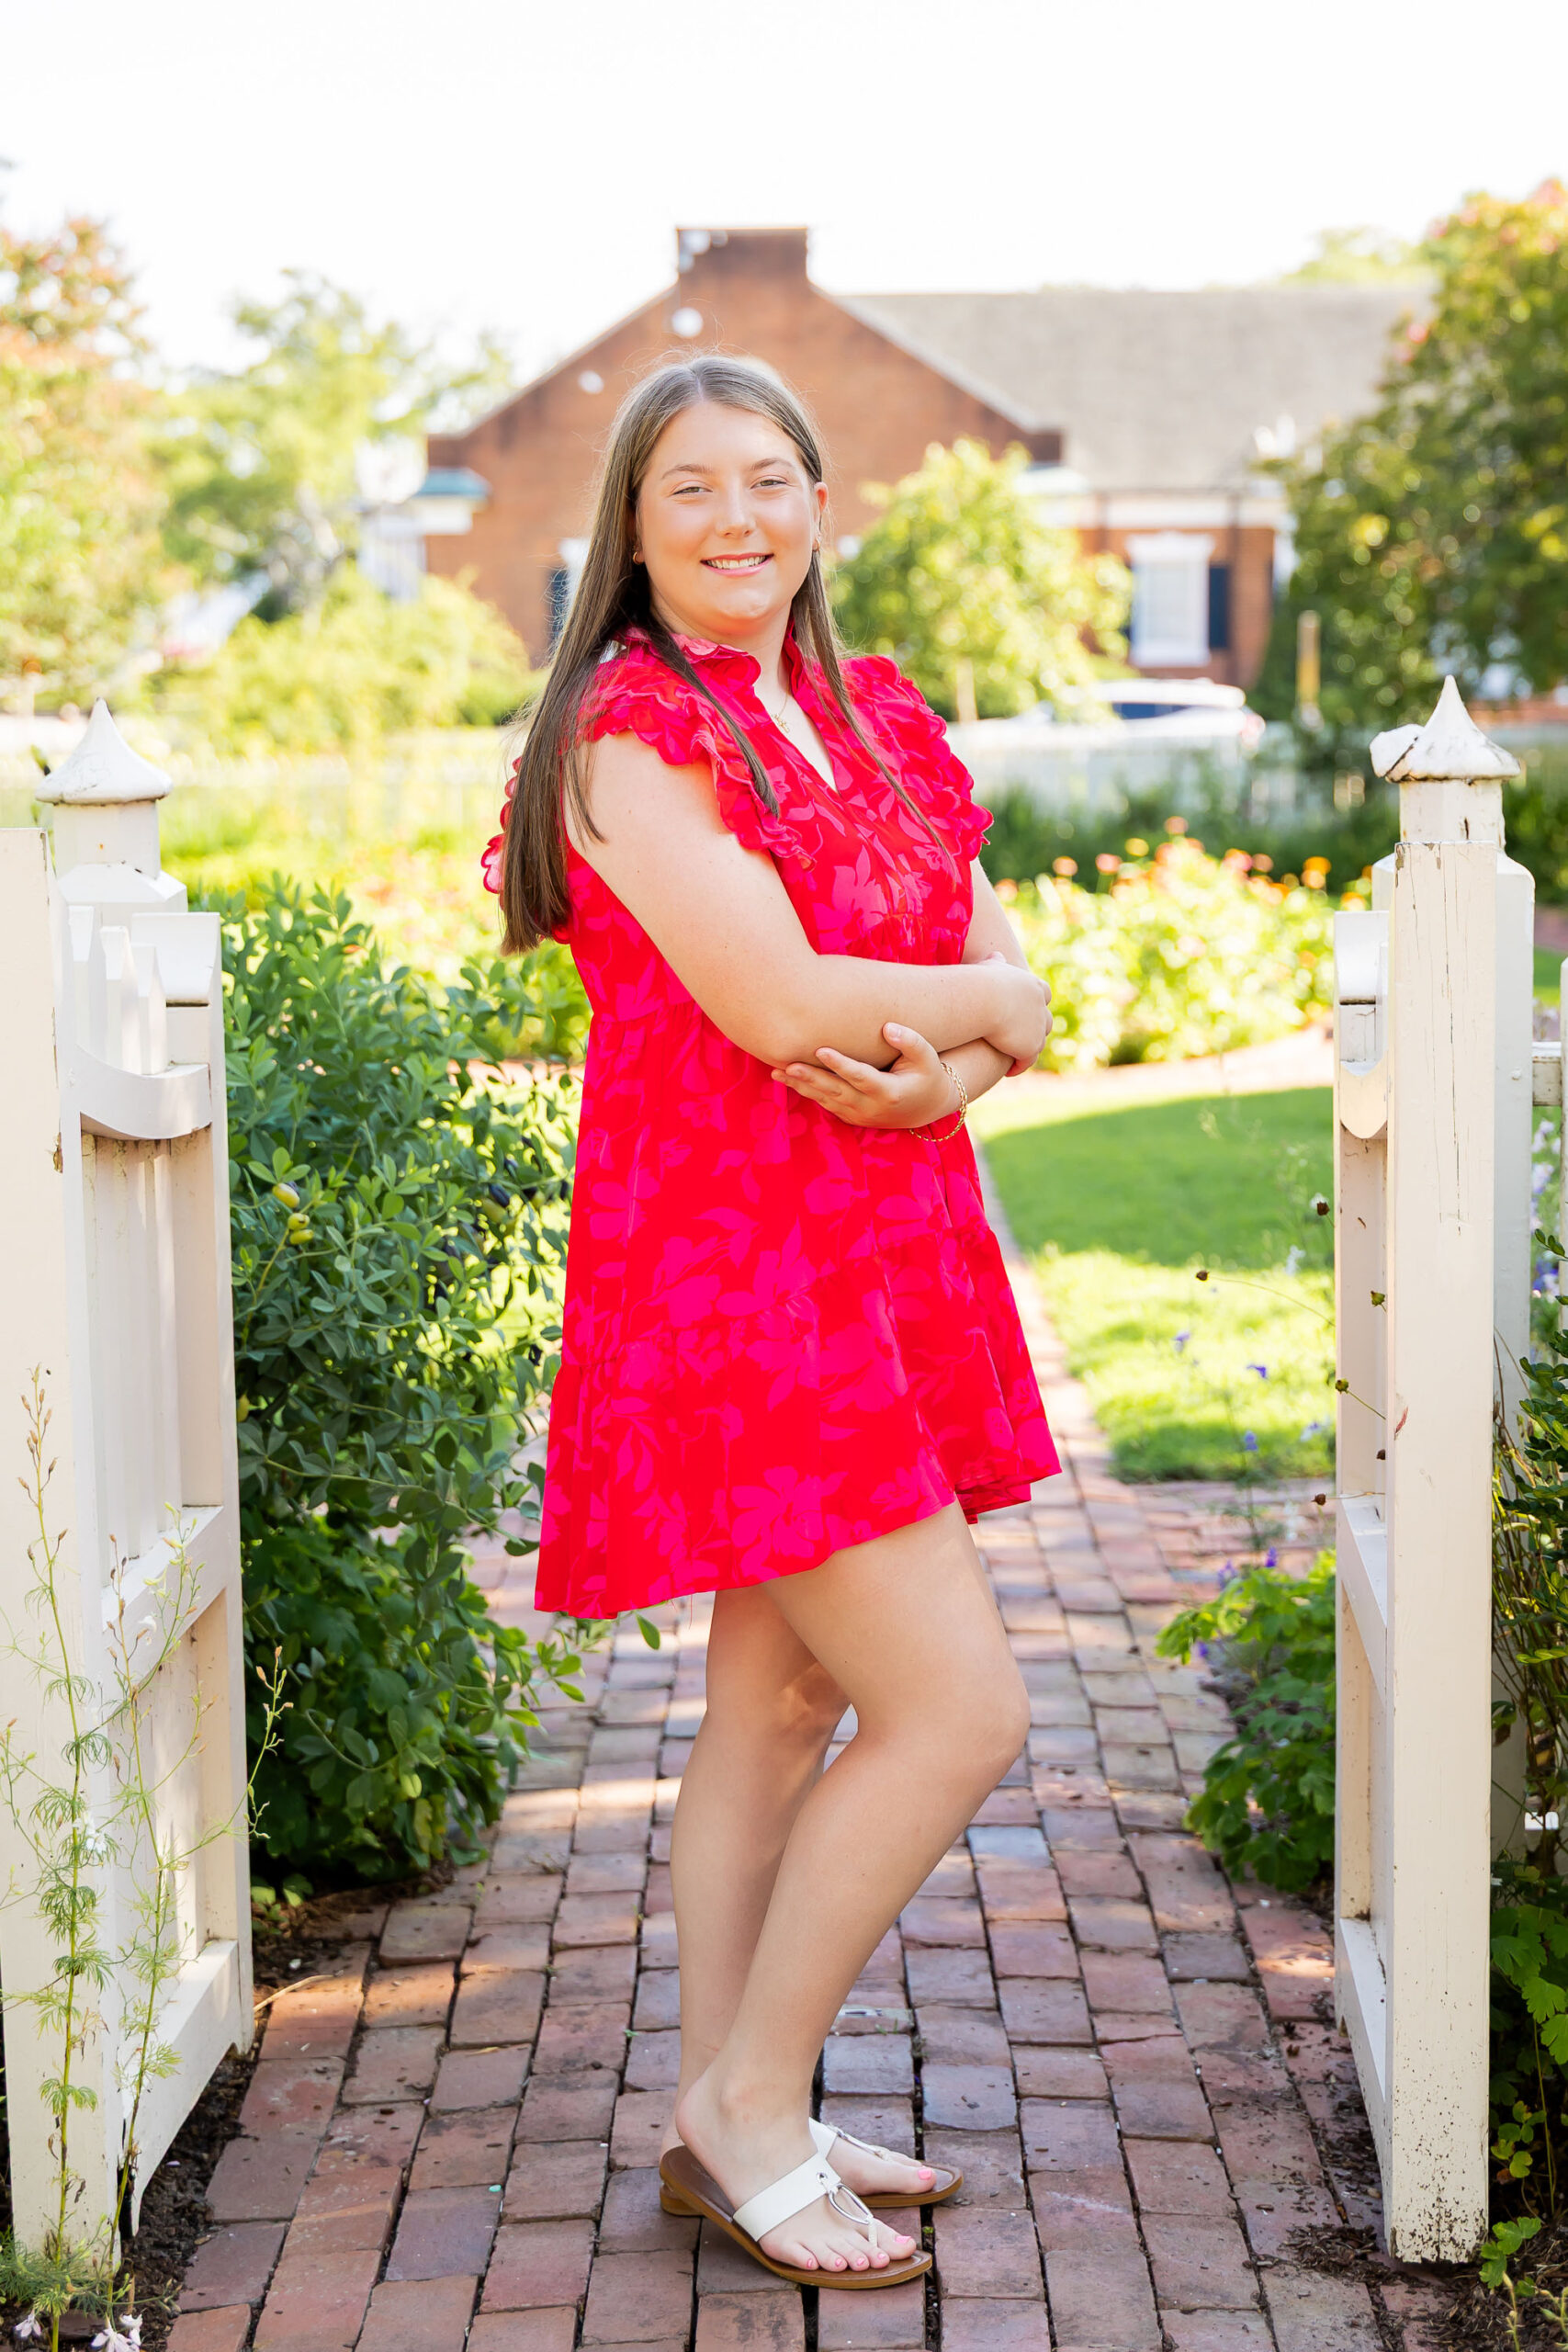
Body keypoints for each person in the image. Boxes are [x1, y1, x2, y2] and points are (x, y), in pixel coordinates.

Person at [484, 354, 1059, 2290]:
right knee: (954, 1703)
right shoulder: (623, 730)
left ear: (821, 502)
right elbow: (767, 998)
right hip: (742, 1276)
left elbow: (1012, 982)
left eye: (769, 479)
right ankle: (751, 2097)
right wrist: (975, 1016)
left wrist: (955, 1065)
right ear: (629, 535)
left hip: (884, 1243)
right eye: (688, 490)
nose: (736, 517)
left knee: (782, 1696)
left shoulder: (873, 716)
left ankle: (726, 2110)